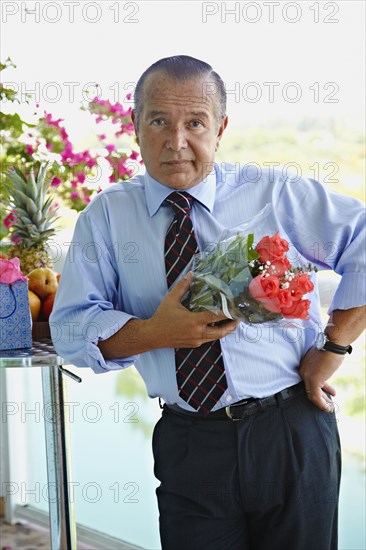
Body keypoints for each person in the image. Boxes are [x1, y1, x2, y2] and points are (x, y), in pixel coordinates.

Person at [50, 55, 365, 550]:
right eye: (158, 121)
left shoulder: (276, 195)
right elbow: (70, 329)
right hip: (189, 442)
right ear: (135, 127)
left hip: (290, 431)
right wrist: (156, 333)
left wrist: (334, 348)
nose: (176, 142)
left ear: (220, 128)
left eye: (194, 123)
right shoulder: (107, 218)